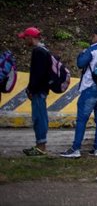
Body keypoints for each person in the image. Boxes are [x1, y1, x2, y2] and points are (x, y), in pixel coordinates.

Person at [61, 28, 97, 158]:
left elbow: (80, 64)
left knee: (82, 119)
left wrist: (81, 54)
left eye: (93, 36)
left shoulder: (92, 50)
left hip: (91, 88)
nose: (92, 38)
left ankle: (75, 149)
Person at [20, 27, 51, 156]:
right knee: (41, 116)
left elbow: (37, 74)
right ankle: (40, 145)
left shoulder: (38, 52)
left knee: (39, 117)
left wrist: (31, 89)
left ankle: (41, 146)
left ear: (31, 38)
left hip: (38, 90)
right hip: (43, 89)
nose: (24, 41)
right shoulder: (44, 50)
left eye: (25, 38)